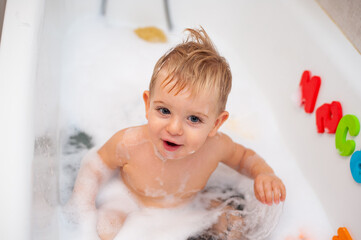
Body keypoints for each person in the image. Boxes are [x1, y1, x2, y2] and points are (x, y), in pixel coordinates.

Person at [68, 27, 286, 240]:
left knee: (235, 226)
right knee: (105, 228)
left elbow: (244, 158)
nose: (174, 129)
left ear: (215, 124)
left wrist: (264, 174)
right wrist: (82, 209)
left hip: (189, 209)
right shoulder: (129, 143)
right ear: (147, 105)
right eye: (164, 111)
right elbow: (94, 168)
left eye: (194, 119)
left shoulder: (216, 147)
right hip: (128, 203)